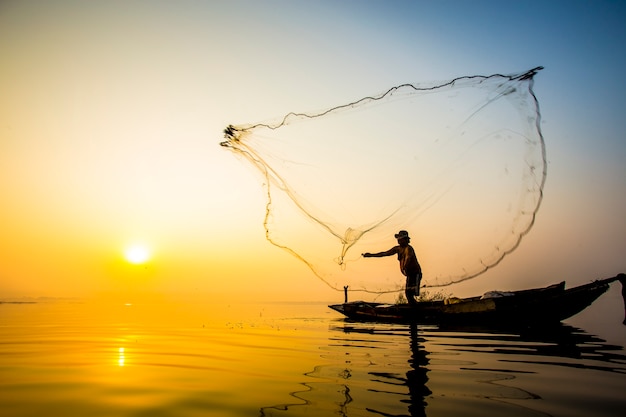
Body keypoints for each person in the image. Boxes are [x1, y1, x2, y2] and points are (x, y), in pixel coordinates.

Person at [362, 230, 422, 305]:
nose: (398, 240)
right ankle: (414, 307)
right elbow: (384, 253)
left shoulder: (408, 249)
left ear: (405, 240)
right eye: (398, 239)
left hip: (415, 274)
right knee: (408, 294)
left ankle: (416, 310)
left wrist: (405, 267)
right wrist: (371, 255)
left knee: (409, 294)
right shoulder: (397, 249)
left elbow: (408, 258)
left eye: (400, 238)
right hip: (409, 275)